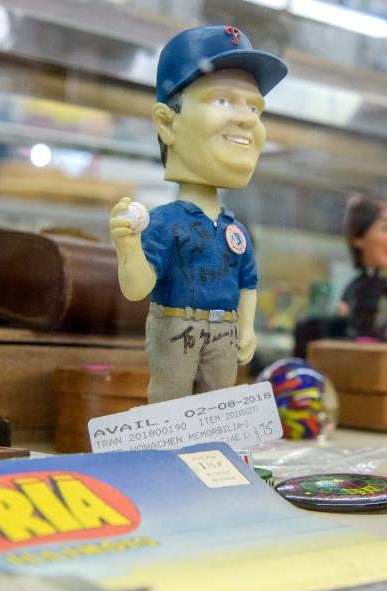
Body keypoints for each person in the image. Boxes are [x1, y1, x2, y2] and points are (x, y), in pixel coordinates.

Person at [109, 25, 287, 403]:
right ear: (166, 122)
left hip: (224, 331)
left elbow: (247, 284)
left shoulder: (233, 228)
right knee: (170, 405)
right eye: (222, 101)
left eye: (254, 107)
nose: (248, 120)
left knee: (218, 408)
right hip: (175, 326)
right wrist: (128, 247)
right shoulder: (164, 222)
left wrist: (247, 326)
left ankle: (216, 462)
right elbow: (138, 289)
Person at [335, 195, 387, 340]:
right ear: (358, 237)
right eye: (386, 228)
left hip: (374, 317)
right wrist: (344, 302)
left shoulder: (382, 280)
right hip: (359, 316)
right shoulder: (361, 280)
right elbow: (351, 288)